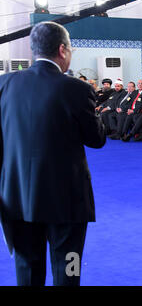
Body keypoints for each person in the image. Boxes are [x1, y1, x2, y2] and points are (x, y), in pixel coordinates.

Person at [0, 21, 106, 286]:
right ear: (62, 50)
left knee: (26, 270)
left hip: (17, 197)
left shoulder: (4, 84)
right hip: (67, 202)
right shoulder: (77, 89)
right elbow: (96, 139)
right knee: (68, 269)